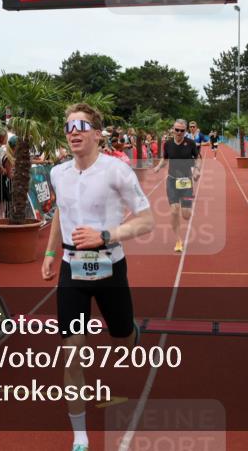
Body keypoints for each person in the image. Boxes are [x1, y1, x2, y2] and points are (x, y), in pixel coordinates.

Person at [42, 103, 154, 451]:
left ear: (97, 134)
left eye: (81, 125)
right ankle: (80, 435)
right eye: (68, 126)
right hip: (72, 270)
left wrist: (105, 235)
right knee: (71, 353)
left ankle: (130, 329)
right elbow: (62, 210)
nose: (73, 131)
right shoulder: (57, 173)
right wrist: (49, 252)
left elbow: (147, 221)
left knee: (120, 334)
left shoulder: (117, 171)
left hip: (109, 267)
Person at [152, 119, 199, 253]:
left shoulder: (190, 143)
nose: (178, 132)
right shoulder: (167, 144)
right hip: (172, 181)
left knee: (186, 215)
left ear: (185, 131)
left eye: (181, 130)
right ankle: (178, 240)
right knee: (174, 210)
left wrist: (197, 170)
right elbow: (165, 158)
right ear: (173, 129)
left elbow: (197, 158)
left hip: (186, 182)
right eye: (176, 130)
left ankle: (189, 202)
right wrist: (158, 166)